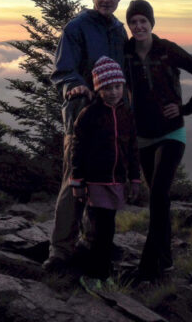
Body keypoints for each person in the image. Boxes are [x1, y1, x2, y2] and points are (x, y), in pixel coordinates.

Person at [124, 0, 192, 283]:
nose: (139, 26)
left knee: (160, 195)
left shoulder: (167, 49)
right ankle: (166, 262)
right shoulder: (124, 53)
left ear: (152, 23)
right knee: (158, 200)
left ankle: (147, 266)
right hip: (142, 137)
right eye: (134, 22)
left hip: (171, 132)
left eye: (143, 21)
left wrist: (185, 108)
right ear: (129, 26)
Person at [43, 0, 128, 272]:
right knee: (73, 182)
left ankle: (93, 243)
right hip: (80, 118)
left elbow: (122, 75)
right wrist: (74, 86)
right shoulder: (76, 27)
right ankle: (60, 251)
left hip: (111, 122)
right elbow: (63, 70)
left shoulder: (118, 29)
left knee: (102, 182)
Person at [70, 56, 141, 287]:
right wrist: (77, 181)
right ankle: (94, 275)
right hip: (95, 181)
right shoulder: (89, 115)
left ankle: (101, 272)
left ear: (123, 86)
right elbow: (77, 150)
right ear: (98, 89)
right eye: (107, 88)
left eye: (117, 86)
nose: (113, 92)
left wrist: (135, 178)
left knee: (107, 228)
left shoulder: (126, 115)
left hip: (116, 181)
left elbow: (131, 149)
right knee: (99, 228)